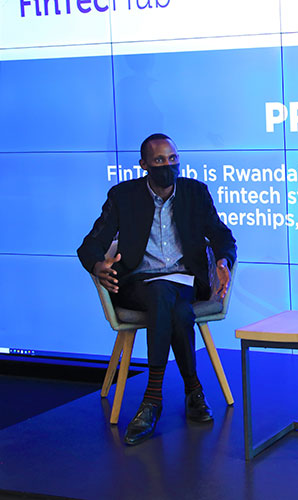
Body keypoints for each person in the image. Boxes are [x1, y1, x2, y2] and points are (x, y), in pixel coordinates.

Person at [77, 133, 236, 446]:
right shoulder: (123, 196)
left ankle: (154, 399)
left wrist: (222, 261)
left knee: (172, 299)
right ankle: (192, 392)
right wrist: (99, 266)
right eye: (160, 161)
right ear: (144, 165)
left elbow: (222, 236)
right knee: (169, 300)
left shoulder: (195, 192)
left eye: (173, 159)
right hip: (138, 283)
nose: (169, 166)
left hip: (185, 282)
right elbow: (90, 245)